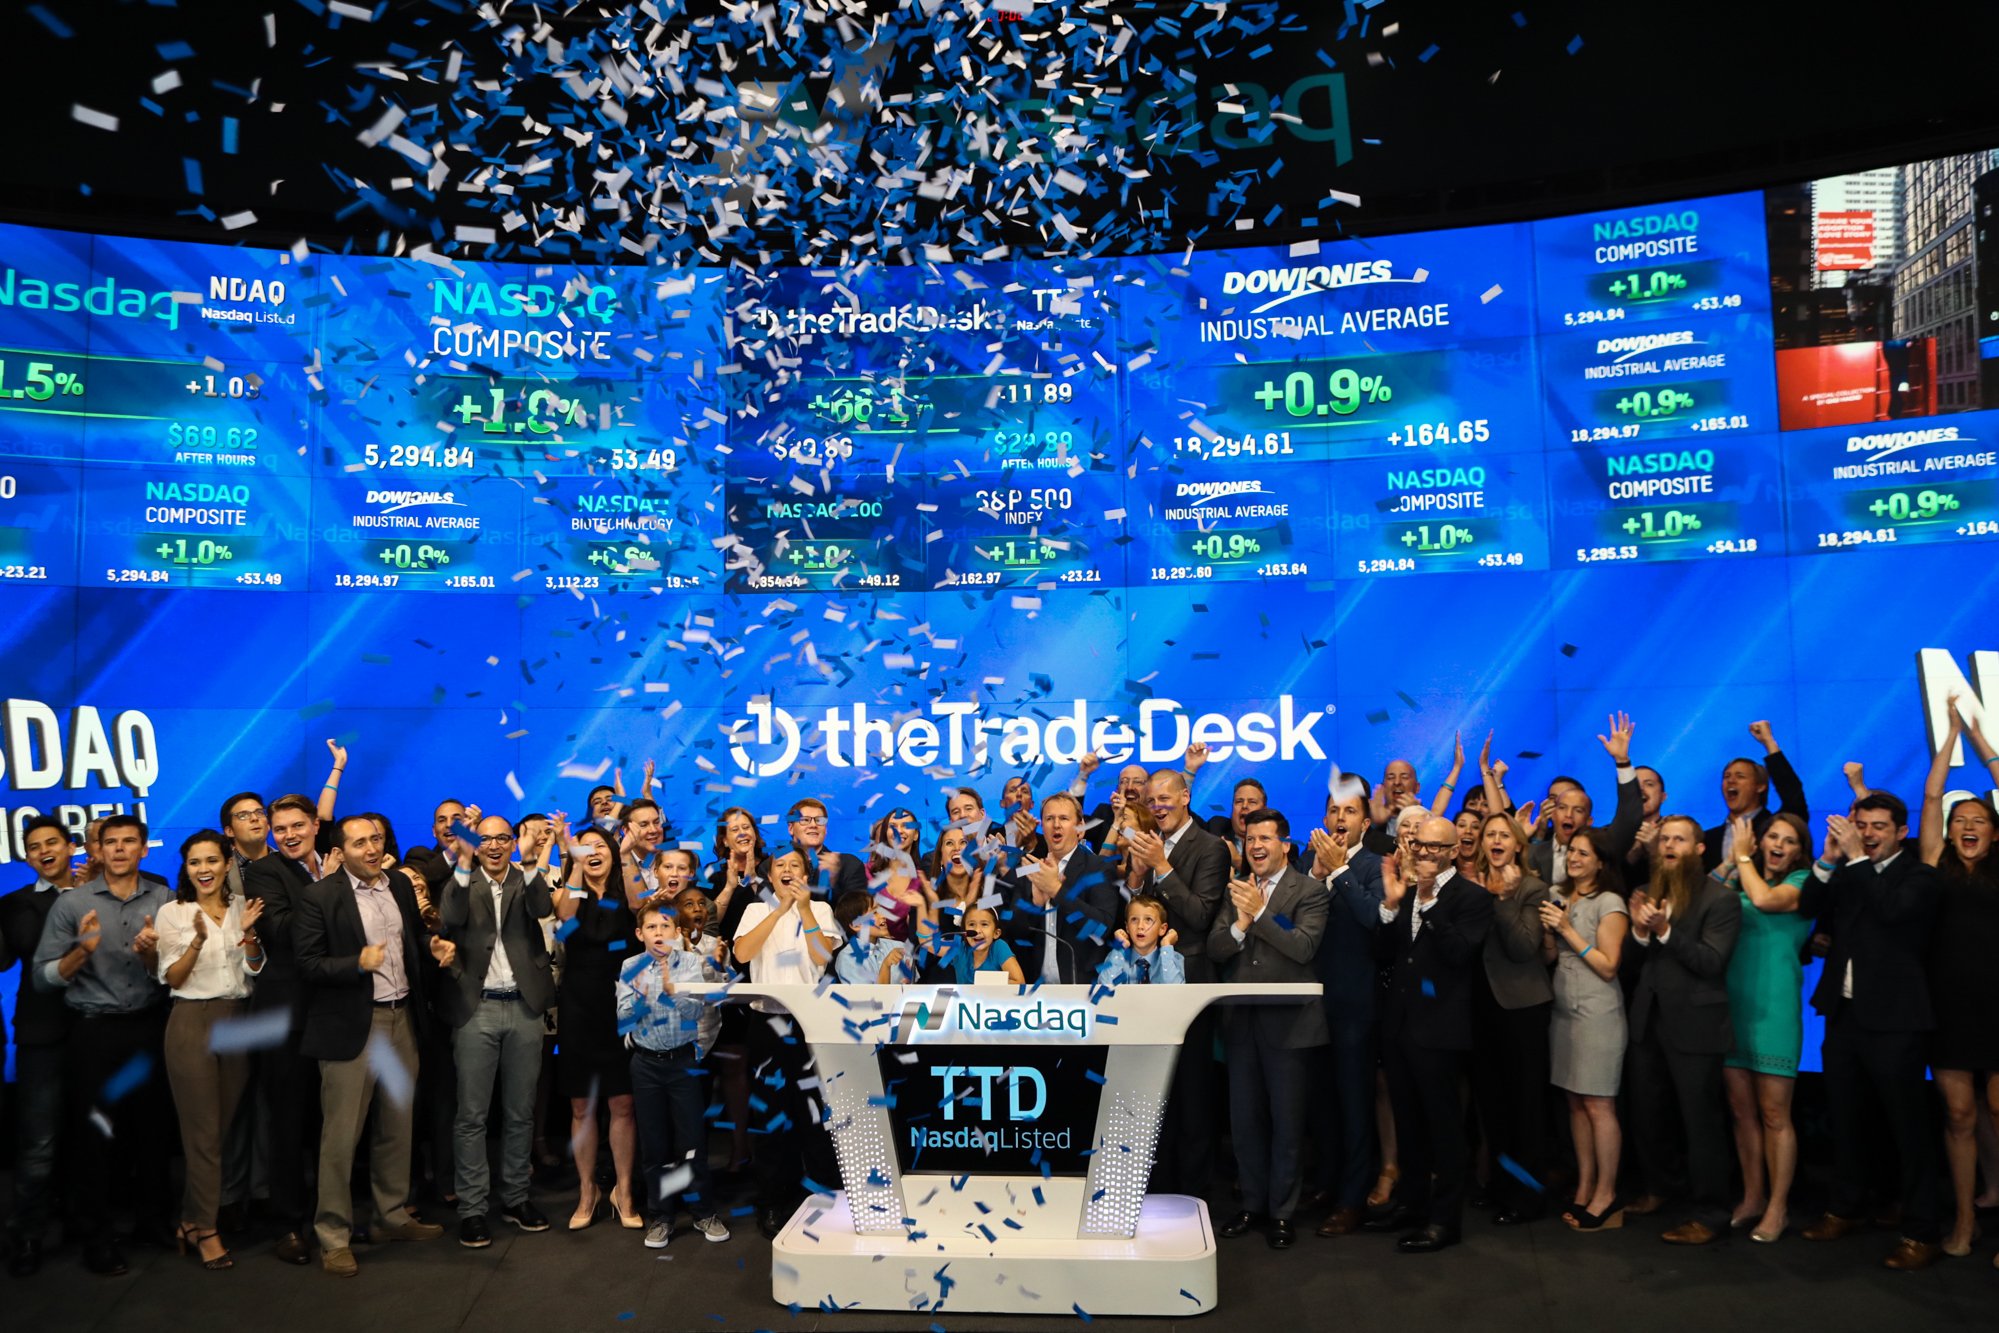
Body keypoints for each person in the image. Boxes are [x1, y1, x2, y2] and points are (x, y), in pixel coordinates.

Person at [295, 814, 453, 1277]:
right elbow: (307, 964)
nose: (370, 848)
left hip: (403, 1018)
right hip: (351, 1029)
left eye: (376, 839)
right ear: (340, 851)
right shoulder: (319, 897)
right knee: (341, 1138)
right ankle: (333, 1236)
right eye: (359, 841)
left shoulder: (400, 886)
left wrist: (433, 947)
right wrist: (354, 963)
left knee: (397, 1127)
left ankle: (390, 1216)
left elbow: (412, 940)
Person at [1797, 796, 1945, 1270]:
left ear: (1902, 831)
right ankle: (1845, 1207)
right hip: (1845, 1016)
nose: (1867, 834)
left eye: (1878, 826)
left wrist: (1856, 861)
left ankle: (1922, 1232)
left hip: (1897, 1022)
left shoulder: (1919, 876)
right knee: (1845, 1119)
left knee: (1908, 1129)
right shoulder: (1848, 870)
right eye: (1861, 825)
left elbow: (1891, 914)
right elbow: (1807, 906)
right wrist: (1826, 860)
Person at [33, 814, 176, 1275]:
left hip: (150, 1025)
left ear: (143, 849)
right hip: (94, 1032)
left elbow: (175, 973)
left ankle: (151, 1222)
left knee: (153, 1131)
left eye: (128, 842)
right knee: (95, 1137)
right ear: (96, 851)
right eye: (109, 842)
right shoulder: (71, 904)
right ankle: (97, 1237)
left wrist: (153, 954)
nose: (118, 850)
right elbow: (41, 977)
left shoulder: (163, 897)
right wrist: (83, 950)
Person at [1364, 814, 1493, 1254]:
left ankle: (1444, 1221)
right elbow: (1383, 955)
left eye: (1436, 847)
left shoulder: (1472, 897)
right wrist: (1391, 905)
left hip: (1440, 1030)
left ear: (1454, 850)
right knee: (1408, 1124)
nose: (1424, 853)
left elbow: (1459, 955)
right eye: (1419, 845)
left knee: (1443, 1129)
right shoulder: (1405, 888)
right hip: (1399, 1026)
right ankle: (1411, 1206)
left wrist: (1428, 901)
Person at [436, 810, 557, 1247]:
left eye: (503, 838)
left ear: (512, 843)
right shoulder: (464, 877)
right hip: (476, 1008)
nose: (493, 845)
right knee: (472, 1116)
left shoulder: (524, 876)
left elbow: (543, 908)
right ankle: (472, 1208)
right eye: (485, 838)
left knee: (520, 1112)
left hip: (524, 1007)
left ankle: (516, 1198)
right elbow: (449, 914)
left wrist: (530, 861)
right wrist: (463, 862)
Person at [1209, 808, 1328, 1251]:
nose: (1255, 846)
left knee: (1286, 1122)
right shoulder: (1234, 890)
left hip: (1291, 1025)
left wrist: (1260, 915)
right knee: (1244, 1121)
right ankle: (1252, 1203)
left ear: (1285, 845)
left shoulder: (1311, 891)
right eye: (1249, 839)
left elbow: (1303, 947)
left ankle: (1282, 1212)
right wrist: (1241, 922)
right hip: (1241, 1021)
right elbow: (1218, 947)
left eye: (1265, 838)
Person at [1622, 816, 1742, 1246]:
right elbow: (1633, 964)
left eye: (1679, 839)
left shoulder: (1720, 900)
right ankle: (1660, 1188)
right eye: (1665, 839)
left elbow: (1711, 962)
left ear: (1698, 849)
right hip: (1648, 1021)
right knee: (1648, 1114)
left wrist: (1665, 931)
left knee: (1701, 1123)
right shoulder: (1648, 893)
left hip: (1695, 1027)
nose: (1669, 845)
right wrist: (1638, 932)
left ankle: (1711, 1213)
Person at [156, 829, 266, 1270]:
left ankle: (187, 1219)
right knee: (202, 1135)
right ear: (186, 868)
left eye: (211, 861)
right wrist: (199, 940)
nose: (203, 869)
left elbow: (256, 968)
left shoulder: (243, 906)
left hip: (239, 1019)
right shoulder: (172, 912)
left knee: (218, 1133)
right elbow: (174, 978)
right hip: (192, 1022)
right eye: (195, 862)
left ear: (227, 864)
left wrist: (252, 938)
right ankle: (206, 1229)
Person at [1919, 699, 1999, 1260]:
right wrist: (1948, 737)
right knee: (1959, 1115)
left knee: (1998, 1112)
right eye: (1960, 822)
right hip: (1947, 1008)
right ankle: (1965, 1222)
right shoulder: (1934, 865)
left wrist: (1982, 741)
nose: (1968, 827)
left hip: (1998, 1007)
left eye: (1980, 822)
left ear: (1994, 833)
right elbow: (1929, 797)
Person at [1126, 768, 1230, 1196]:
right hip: (1147, 990)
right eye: (1151, 802)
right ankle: (1157, 1188)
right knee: (1155, 1094)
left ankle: (1192, 1195)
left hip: (1189, 988)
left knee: (1192, 1097)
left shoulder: (1210, 848)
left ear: (1186, 797)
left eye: (1165, 798)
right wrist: (1136, 876)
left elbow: (1201, 916)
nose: (1158, 807)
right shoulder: (1149, 848)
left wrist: (1162, 867)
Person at [239, 793, 328, 1265]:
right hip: (287, 1018)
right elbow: (285, 933)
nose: (289, 835)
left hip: (337, 1015)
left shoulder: (336, 860)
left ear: (315, 825)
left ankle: (331, 1217)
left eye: (297, 826)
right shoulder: (264, 873)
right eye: (280, 829)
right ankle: (287, 1224)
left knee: (333, 1124)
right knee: (288, 1125)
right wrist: (331, 889)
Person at [733, 849, 841, 1238]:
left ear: (806, 874)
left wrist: (805, 909)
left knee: (814, 1110)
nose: (788, 871)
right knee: (772, 1111)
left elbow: (822, 956)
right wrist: (778, 910)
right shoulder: (755, 910)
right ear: (769, 875)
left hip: (812, 1021)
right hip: (768, 1020)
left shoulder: (822, 910)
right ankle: (774, 1200)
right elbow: (743, 954)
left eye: (796, 865)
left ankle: (826, 1196)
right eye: (780, 866)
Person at [1718, 812, 1813, 1243]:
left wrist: (1742, 856)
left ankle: (1779, 1208)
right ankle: (1753, 1196)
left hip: (1774, 1012)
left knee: (1776, 1115)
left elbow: (1764, 902)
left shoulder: (1803, 884)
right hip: (1732, 1008)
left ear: (1799, 850)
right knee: (1742, 1113)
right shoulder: (1740, 878)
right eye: (1772, 836)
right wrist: (1731, 865)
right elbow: (1700, 902)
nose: (1778, 844)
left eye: (1788, 840)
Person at [618, 901, 730, 1248]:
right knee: (655, 1144)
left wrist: (674, 993)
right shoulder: (629, 966)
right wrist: (649, 994)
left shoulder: (691, 964)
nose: (659, 933)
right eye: (651, 928)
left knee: (692, 1140)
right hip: (646, 1063)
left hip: (683, 1061)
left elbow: (697, 1010)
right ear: (640, 934)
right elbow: (623, 1018)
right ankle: (661, 1216)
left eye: (666, 927)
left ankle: (702, 1212)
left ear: (677, 933)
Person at [1300, 784, 1385, 1238]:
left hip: (1355, 1004)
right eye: (1333, 809)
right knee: (1322, 1105)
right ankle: (1327, 1184)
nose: (1340, 818)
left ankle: (1353, 1198)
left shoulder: (1374, 867)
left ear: (1365, 824)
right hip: (1309, 1005)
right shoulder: (1303, 863)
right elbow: (1284, 920)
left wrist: (1340, 872)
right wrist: (1315, 876)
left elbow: (1375, 920)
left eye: (1349, 811)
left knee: (1354, 1105)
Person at [1538, 828, 1629, 1231]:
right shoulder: (1561, 893)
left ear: (1600, 862)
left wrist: (1567, 928)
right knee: (1575, 1102)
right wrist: (1548, 934)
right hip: (1563, 1010)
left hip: (1597, 1011)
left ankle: (1607, 1193)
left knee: (1599, 1105)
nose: (1574, 857)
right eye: (1571, 850)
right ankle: (1585, 1183)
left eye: (1583, 853)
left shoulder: (1609, 902)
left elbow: (1609, 964)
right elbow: (1551, 956)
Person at [552, 824, 642, 1231]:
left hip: (622, 1007)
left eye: (599, 846)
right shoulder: (573, 890)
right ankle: (587, 1190)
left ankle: (623, 1190)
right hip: (579, 1006)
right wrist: (573, 863)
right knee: (581, 1106)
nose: (593, 852)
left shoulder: (627, 891)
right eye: (584, 847)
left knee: (622, 1104)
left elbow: (641, 904)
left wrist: (624, 855)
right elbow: (563, 916)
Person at [0, 816, 78, 1276]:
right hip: (41, 1035)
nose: (44, 851)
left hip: (96, 1029)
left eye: (52, 842)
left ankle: (85, 1223)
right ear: (26, 857)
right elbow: (13, 954)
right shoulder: (13, 904)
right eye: (33, 847)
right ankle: (26, 1234)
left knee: (94, 1134)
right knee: (38, 1142)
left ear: (71, 847)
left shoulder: (99, 891)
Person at [1467, 812, 1553, 1226]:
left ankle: (1529, 1195)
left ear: (1518, 844)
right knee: (1493, 1107)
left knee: (1526, 1108)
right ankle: (1501, 1186)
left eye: (1504, 835)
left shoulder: (1533, 889)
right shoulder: (1473, 887)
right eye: (1490, 835)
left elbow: (1523, 948)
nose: (1495, 840)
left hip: (1523, 1010)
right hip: (1481, 1011)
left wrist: (1502, 899)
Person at [1005, 793, 1121, 984]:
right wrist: (1034, 904)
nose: (1056, 825)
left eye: (1064, 819)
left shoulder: (1099, 867)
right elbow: (1015, 932)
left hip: (1083, 988)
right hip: (1035, 990)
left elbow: (1100, 928)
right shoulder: (1030, 868)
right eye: (1049, 819)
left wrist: (1056, 890)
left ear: (1080, 828)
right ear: (1042, 825)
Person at [1523, 713, 1644, 885]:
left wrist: (1622, 761)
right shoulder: (1533, 853)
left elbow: (1630, 817)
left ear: (1589, 820)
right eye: (1562, 807)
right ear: (1553, 814)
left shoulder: (1603, 848)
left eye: (1578, 810)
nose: (1569, 815)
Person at [1702, 722, 1809, 872]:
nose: (1731, 781)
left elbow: (1792, 793)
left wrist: (1768, 741)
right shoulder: (1708, 838)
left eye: (1740, 776)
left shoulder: (1777, 827)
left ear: (1760, 786)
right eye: (1726, 776)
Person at [707, 805, 770, 943]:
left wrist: (753, 880)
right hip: (727, 955)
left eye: (746, 827)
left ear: (755, 833)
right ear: (725, 841)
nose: (742, 833)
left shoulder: (772, 865)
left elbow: (777, 908)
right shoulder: (712, 872)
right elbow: (708, 923)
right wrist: (729, 887)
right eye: (735, 830)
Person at [785, 798, 868, 901]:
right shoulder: (770, 867)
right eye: (805, 820)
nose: (813, 825)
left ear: (826, 829)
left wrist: (832, 883)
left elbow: (858, 913)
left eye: (819, 820)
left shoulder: (849, 865)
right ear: (791, 828)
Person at [1095, 892, 1185, 987]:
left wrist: (1166, 945)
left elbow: (1176, 992)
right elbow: (1104, 990)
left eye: (1148, 920)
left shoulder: (1172, 958)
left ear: (1162, 929)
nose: (1140, 926)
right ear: (1127, 928)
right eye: (1134, 919)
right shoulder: (1117, 957)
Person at [941, 905, 1023, 984]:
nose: (977, 930)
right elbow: (930, 944)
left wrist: (984, 984)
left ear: (996, 933)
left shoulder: (999, 947)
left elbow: (1020, 982)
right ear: (964, 932)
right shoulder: (960, 949)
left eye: (984, 924)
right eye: (971, 924)